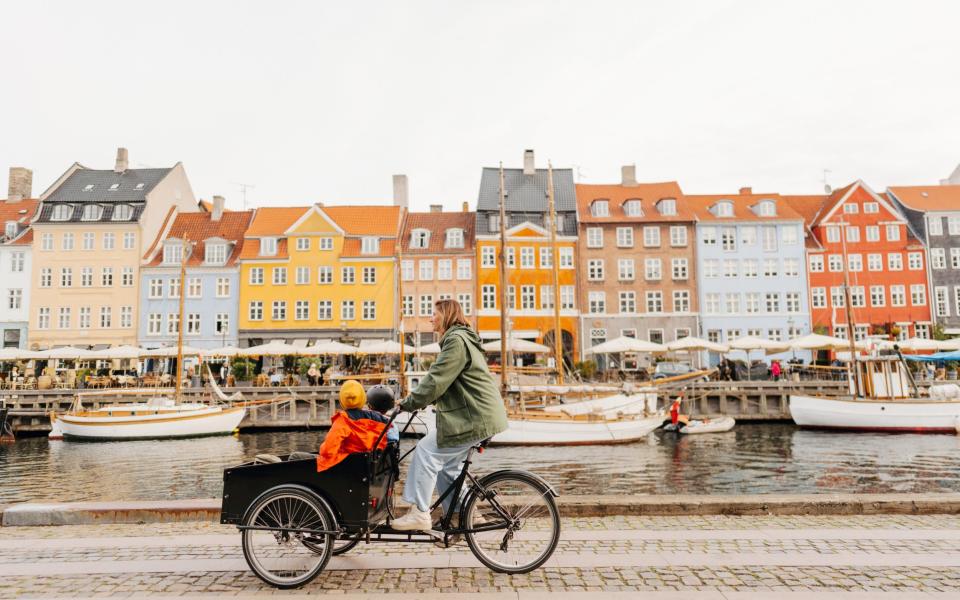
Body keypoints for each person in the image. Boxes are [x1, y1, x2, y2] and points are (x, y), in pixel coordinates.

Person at [391, 299, 508, 532]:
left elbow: (436, 379)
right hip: (478, 415)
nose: (430, 318)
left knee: (426, 451)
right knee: (448, 468)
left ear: (445, 316)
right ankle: (463, 515)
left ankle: (419, 512)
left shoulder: (455, 341)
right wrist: (424, 401)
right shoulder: (461, 339)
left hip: (474, 418)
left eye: (433, 314)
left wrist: (409, 403)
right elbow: (449, 383)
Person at [316, 380, 390, 472]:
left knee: (296, 456)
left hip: (347, 466)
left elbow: (328, 450)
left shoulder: (343, 420)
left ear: (342, 400)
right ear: (363, 398)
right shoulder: (380, 420)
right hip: (370, 467)